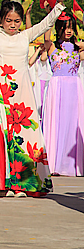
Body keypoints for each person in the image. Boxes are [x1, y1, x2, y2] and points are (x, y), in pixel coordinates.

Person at [0, 0, 67, 196]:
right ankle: (4, 184)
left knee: (26, 136)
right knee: (4, 136)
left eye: (17, 21)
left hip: (23, 96)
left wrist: (59, 5)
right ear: (1, 20)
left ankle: (24, 184)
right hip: (1, 93)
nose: (12, 25)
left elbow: (45, 24)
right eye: (9, 20)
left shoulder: (24, 36)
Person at [45, 15, 84, 176]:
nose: (68, 30)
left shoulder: (79, 47)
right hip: (57, 88)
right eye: (65, 27)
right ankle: (55, 164)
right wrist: (50, 14)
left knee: (74, 124)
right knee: (57, 124)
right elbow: (46, 36)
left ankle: (73, 165)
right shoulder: (52, 46)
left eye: (71, 27)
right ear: (58, 27)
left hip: (74, 87)